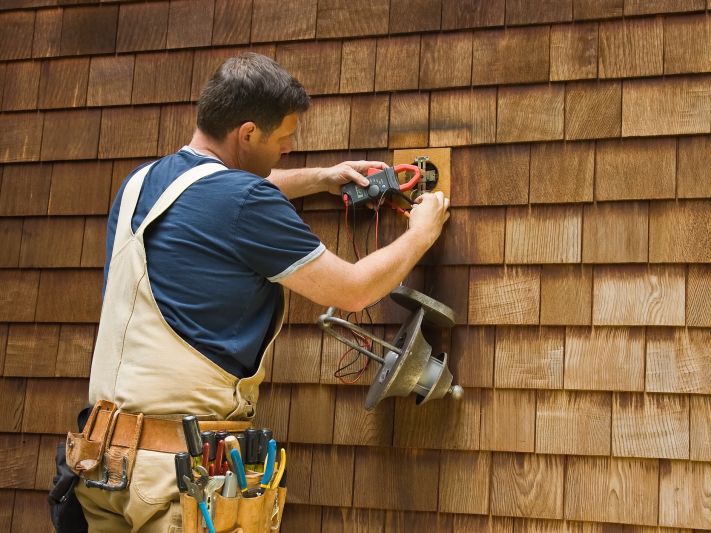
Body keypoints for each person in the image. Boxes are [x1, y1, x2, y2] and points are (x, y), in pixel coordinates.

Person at [71, 52, 449, 531]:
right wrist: (421, 232)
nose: (288, 150)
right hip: (172, 478)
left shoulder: (142, 183)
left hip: (102, 464)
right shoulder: (245, 201)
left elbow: (225, 190)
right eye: (285, 139)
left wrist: (321, 179)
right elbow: (353, 291)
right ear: (247, 133)